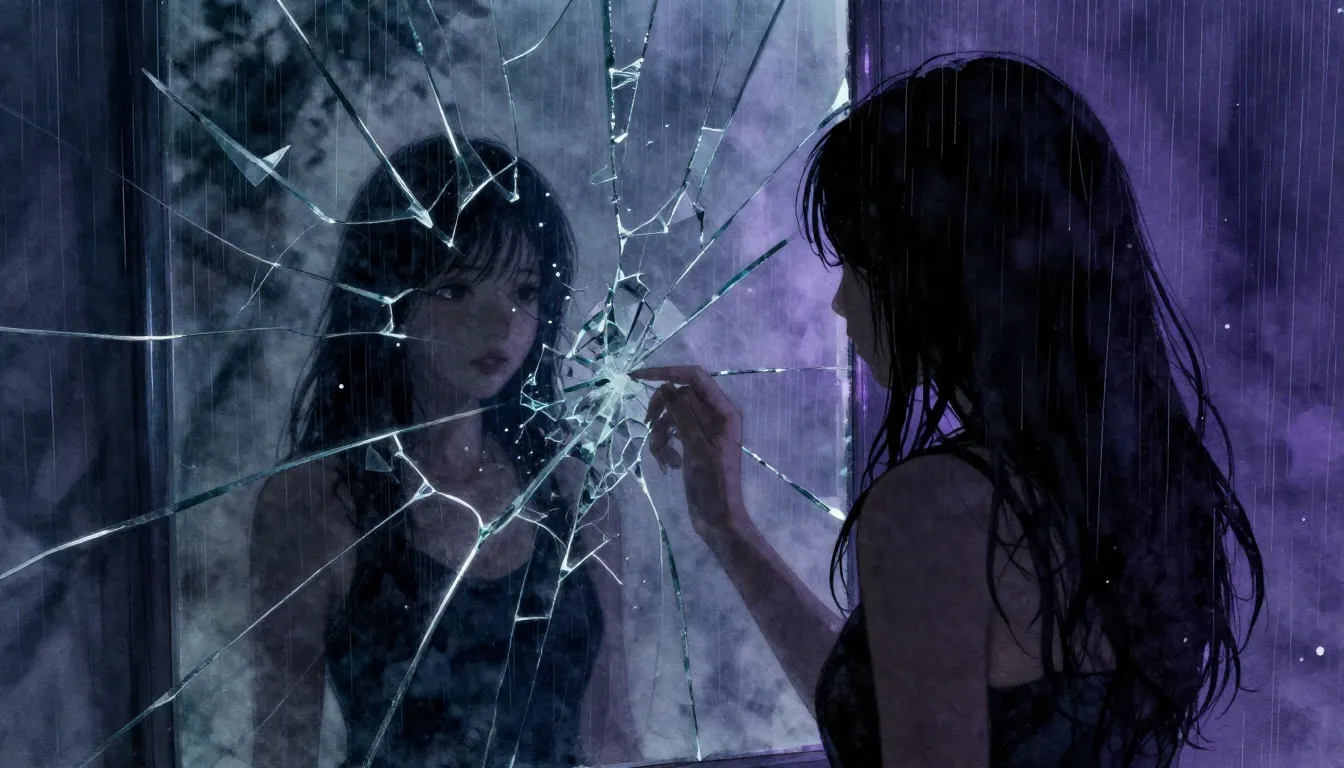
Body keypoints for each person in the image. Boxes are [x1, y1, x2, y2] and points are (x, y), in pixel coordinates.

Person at [633, 52, 1265, 767]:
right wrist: (728, 529)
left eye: (861, 266)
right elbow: (898, 715)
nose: (840, 302)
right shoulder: (1135, 487)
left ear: (941, 274)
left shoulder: (939, 507)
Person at [250, 136, 637, 768]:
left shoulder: (572, 489)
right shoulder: (318, 501)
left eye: (524, 291)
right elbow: (282, 750)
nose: (501, 324)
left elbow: (613, 735)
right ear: (389, 296)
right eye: (456, 289)